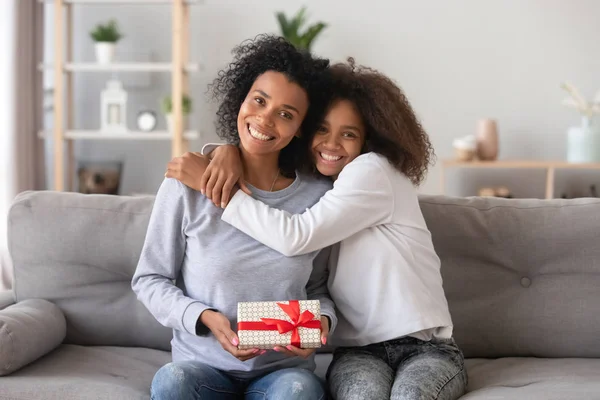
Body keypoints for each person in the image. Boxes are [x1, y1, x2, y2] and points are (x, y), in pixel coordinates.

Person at [166, 59, 468, 400]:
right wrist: (227, 152)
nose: (331, 143)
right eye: (322, 129)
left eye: (349, 134)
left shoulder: (371, 172)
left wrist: (220, 190)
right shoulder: (325, 190)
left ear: (369, 141)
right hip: (359, 352)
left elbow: (295, 237)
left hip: (424, 347)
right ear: (305, 133)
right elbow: (317, 283)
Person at [132, 34, 338, 400]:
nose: (265, 119)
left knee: (299, 391)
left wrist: (319, 325)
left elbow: (319, 290)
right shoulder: (187, 186)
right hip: (201, 368)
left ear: (299, 129)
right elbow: (150, 279)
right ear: (241, 99)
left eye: (286, 114)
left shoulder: (317, 197)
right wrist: (204, 317)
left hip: (282, 372)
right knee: (172, 382)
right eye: (259, 100)